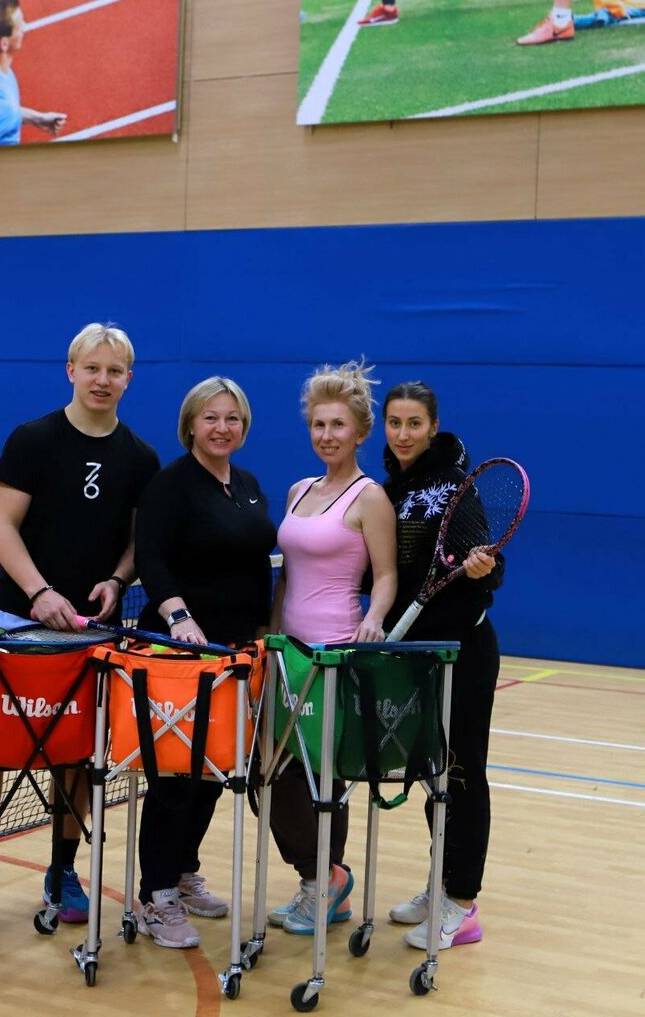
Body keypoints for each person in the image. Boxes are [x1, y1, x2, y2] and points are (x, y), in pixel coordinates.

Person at [0, 322, 160, 937]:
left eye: (115, 371)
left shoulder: (140, 458)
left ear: (128, 380)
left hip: (89, 635)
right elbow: (0, 527)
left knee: (75, 760)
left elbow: (140, 542)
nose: (102, 380)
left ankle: (63, 872)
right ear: (71, 370)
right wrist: (38, 593)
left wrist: (118, 580)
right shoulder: (32, 440)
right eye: (93, 368)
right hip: (13, 623)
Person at [133, 376, 277, 948]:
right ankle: (156, 895)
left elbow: (253, 565)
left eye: (233, 418)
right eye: (212, 417)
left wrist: (264, 632)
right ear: (191, 423)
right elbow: (151, 557)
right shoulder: (170, 484)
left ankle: (185, 872)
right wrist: (177, 616)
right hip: (181, 653)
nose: (223, 428)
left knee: (214, 772)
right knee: (173, 776)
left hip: (237, 653)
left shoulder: (246, 484)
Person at [267, 360, 397, 935]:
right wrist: (268, 640)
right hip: (286, 652)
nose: (326, 435)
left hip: (336, 651)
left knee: (323, 777)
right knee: (271, 774)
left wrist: (375, 619)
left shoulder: (371, 498)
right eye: (318, 425)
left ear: (360, 432)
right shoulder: (298, 490)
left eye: (338, 425)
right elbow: (287, 575)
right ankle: (325, 880)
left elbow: (387, 575)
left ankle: (324, 883)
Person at [381, 380, 503, 950]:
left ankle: (462, 903)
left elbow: (488, 562)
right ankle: (441, 881)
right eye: (395, 423)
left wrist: (484, 567)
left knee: (461, 773)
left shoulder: (456, 486)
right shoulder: (390, 489)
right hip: (417, 656)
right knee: (433, 772)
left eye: (414, 424)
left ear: (433, 427)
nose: (404, 434)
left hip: (465, 653)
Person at [0, 0, 67, 149]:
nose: (25, 27)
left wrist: (37, 119)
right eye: (19, 26)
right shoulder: (4, 109)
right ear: (4, 44)